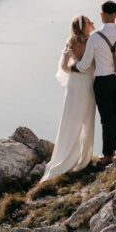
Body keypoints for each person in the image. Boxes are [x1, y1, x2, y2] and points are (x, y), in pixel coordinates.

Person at [73, 0, 116, 167]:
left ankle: (107, 156)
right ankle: (112, 152)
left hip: (103, 82)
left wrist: (74, 67)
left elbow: (84, 65)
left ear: (101, 15)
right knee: (115, 115)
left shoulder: (95, 38)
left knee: (106, 118)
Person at [40, 15, 97, 182]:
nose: (91, 23)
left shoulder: (70, 43)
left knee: (71, 118)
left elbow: (65, 68)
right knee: (86, 119)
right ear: (84, 26)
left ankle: (66, 153)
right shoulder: (92, 41)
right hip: (87, 84)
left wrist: (76, 68)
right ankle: (83, 157)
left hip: (74, 84)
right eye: (89, 22)